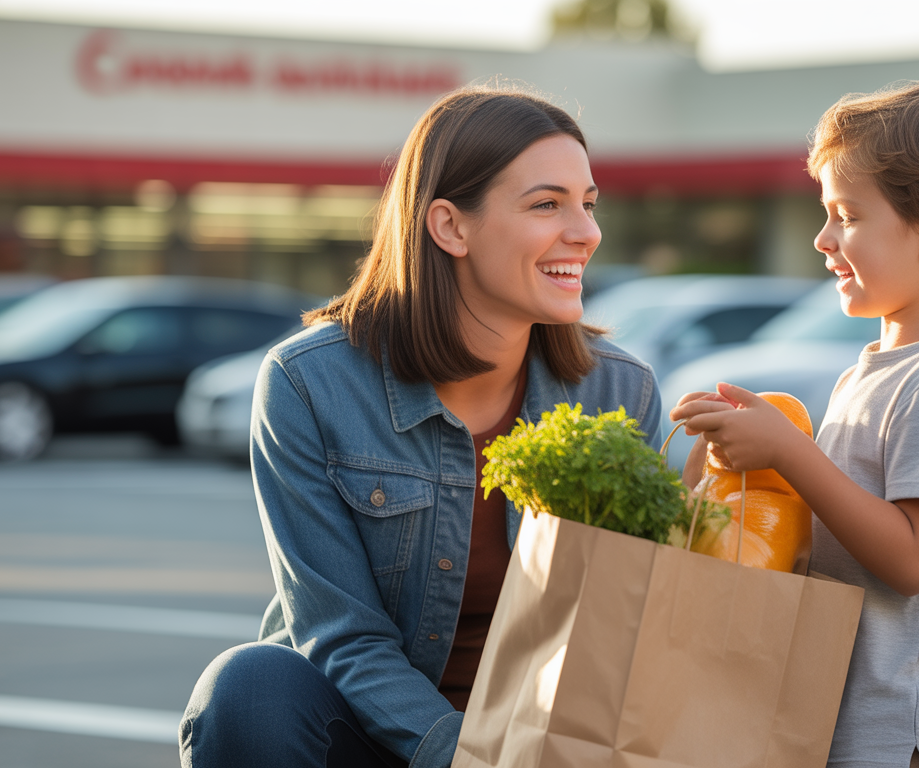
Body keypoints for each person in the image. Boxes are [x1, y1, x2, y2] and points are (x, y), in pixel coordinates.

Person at [179, 84, 663, 768]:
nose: (586, 232)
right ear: (449, 226)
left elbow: (625, 636)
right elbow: (343, 637)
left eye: (587, 203)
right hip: (378, 738)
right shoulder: (308, 383)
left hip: (552, 748)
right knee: (250, 688)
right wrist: (466, 757)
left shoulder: (619, 390)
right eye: (547, 204)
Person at [670, 79, 919, 768]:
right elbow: (834, 526)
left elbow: (911, 560)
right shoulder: (879, 367)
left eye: (846, 215)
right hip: (861, 727)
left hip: (916, 739)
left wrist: (788, 453)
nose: (822, 237)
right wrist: (740, 460)